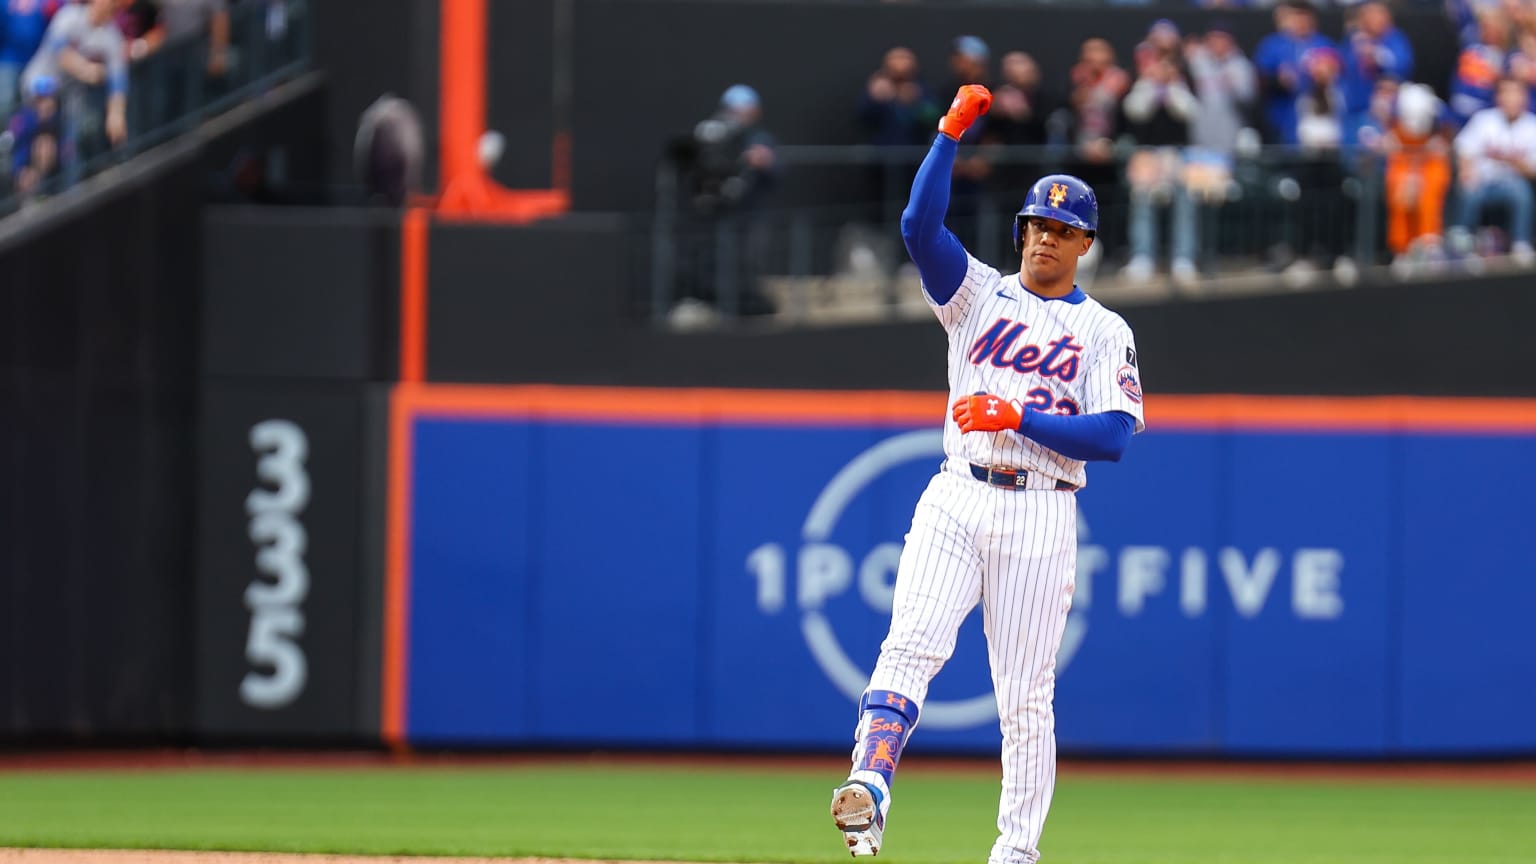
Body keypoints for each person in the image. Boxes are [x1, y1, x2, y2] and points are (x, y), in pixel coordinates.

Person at [828, 85, 1144, 864]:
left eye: (1061, 229)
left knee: (1026, 701)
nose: (1044, 238)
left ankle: (1015, 853)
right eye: (1036, 224)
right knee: (911, 643)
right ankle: (870, 786)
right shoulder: (977, 296)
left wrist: (1020, 420)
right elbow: (917, 226)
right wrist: (948, 135)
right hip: (959, 490)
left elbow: (1112, 437)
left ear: (1084, 244)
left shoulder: (1105, 330)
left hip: (1041, 510)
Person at [1451, 75, 1536, 264]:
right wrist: (1466, 169)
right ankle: (1462, 242)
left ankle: (1520, 243)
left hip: (1512, 183)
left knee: (1520, 191)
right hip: (1482, 180)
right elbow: (1464, 148)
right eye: (1505, 92)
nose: (1510, 98)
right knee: (1469, 186)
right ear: (1498, 97)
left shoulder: (1532, 125)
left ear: (1524, 97)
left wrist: (1512, 161)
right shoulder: (1484, 119)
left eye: (1515, 93)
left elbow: (1532, 170)